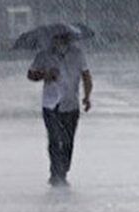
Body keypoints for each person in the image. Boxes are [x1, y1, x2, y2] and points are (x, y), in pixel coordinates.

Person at [27, 31, 93, 187]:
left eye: (63, 38)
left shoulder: (78, 54)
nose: (60, 41)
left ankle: (63, 171)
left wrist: (87, 96)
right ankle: (55, 173)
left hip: (71, 103)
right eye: (57, 38)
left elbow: (86, 75)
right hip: (50, 104)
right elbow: (30, 74)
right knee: (55, 139)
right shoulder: (43, 55)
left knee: (68, 141)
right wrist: (45, 75)